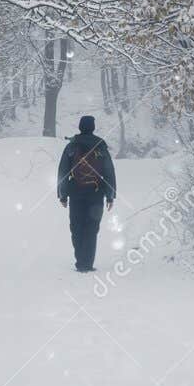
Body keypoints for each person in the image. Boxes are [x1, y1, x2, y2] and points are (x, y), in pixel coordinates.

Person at [57, 114, 117, 273]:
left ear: (80, 127)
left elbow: (63, 171)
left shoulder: (72, 146)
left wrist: (62, 195)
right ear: (93, 127)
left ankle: (80, 262)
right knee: (91, 228)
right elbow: (109, 171)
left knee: (76, 227)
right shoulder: (100, 146)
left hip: (76, 192)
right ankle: (87, 263)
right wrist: (110, 195)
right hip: (96, 194)